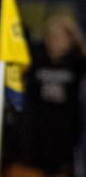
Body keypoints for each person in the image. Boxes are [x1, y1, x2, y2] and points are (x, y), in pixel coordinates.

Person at [16, 13, 85, 176]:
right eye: (51, 36)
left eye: (60, 36)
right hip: (38, 133)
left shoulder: (76, 62)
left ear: (70, 39)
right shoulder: (37, 58)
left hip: (66, 135)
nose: (55, 41)